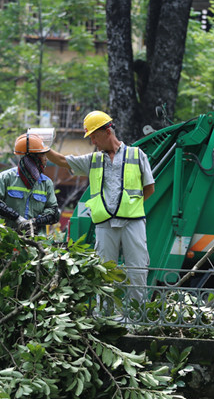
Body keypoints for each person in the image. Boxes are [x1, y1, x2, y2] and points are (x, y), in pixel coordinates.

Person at [45, 111, 155, 303]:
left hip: (133, 222)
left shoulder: (137, 155)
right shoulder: (93, 160)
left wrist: (130, 208)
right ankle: (105, 319)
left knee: (137, 271)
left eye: (94, 136)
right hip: (104, 224)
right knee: (104, 274)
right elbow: (63, 160)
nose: (93, 141)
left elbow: (149, 188)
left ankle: (137, 320)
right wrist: (41, 147)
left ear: (107, 131)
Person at [0, 133, 60, 234]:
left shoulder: (46, 183)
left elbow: (54, 213)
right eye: (42, 155)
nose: (46, 158)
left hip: (36, 242)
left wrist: (34, 222)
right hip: (7, 239)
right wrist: (17, 218)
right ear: (33, 157)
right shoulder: (6, 177)